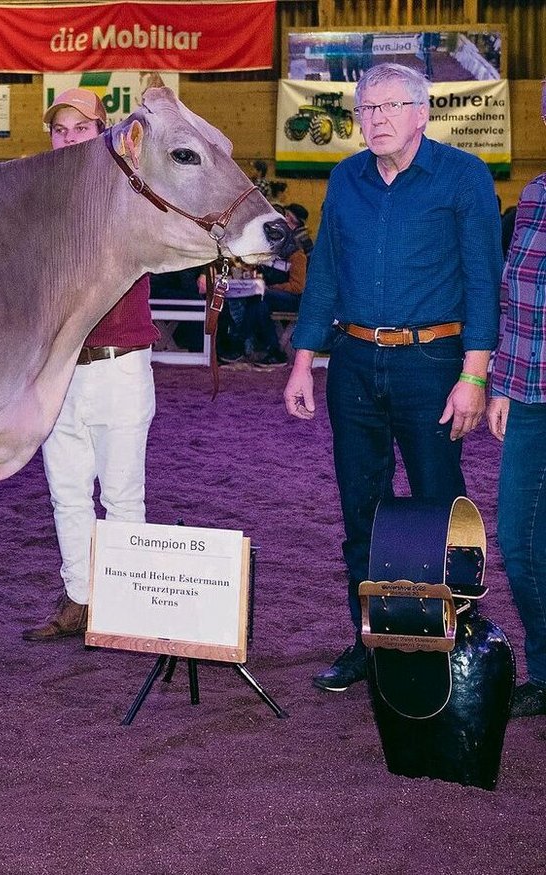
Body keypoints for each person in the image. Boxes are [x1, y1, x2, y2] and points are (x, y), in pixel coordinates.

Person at [282, 63, 501, 692]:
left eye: (390, 106)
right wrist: (303, 359)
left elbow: (483, 278)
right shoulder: (345, 177)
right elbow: (325, 271)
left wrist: (475, 374)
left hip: (433, 363)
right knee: (361, 510)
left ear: (422, 114)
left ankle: (456, 642)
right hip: (352, 361)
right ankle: (370, 642)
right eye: (366, 108)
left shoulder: (463, 176)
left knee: (439, 503)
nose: (375, 118)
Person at [25, 87, 159, 641]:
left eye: (81, 128)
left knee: (122, 495)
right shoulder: (38, 202)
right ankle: (78, 597)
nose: (69, 138)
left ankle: (124, 605)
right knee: (68, 492)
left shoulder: (135, 192)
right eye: (60, 131)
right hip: (59, 367)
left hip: (119, 362)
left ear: (105, 133)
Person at [487, 80, 546, 721]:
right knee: (521, 543)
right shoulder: (535, 195)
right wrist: (502, 382)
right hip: (530, 395)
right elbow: (517, 298)